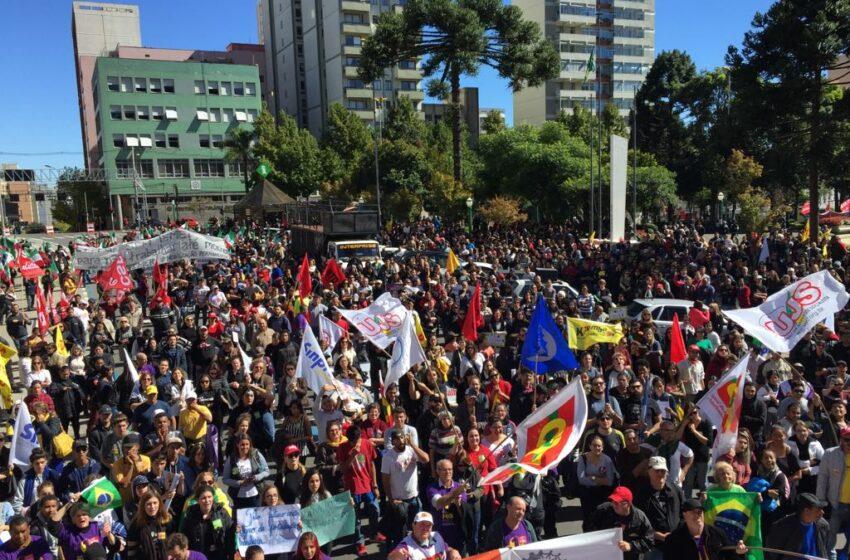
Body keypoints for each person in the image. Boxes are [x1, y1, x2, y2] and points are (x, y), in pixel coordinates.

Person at [381, 430, 430, 547]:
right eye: (397, 439)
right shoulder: (388, 457)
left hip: (414, 498)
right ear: (392, 441)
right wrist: (391, 499)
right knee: (400, 534)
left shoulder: (411, 450)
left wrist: (413, 445)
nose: (401, 441)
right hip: (399, 501)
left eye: (402, 438)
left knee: (418, 529)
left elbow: (426, 459)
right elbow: (385, 480)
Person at [663, 499, 748, 560]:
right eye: (693, 512)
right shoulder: (673, 539)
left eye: (700, 512)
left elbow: (731, 556)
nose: (697, 515)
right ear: (684, 515)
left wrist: (739, 553)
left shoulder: (717, 533)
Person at [635, 457, 684, 560]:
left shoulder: (676, 490)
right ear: (649, 471)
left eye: (663, 471)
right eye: (657, 470)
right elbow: (638, 522)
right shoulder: (641, 494)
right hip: (653, 546)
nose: (660, 474)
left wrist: (679, 533)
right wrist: (657, 535)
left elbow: (685, 513)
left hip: (676, 544)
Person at [587, 486, 654, 560]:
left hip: (631, 557)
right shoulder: (603, 510)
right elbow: (588, 526)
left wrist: (631, 546)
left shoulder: (639, 518)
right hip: (606, 555)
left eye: (617, 502)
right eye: (613, 501)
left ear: (628, 504)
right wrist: (599, 538)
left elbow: (649, 541)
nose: (614, 504)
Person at [816, 426, 850, 559]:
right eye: (847, 440)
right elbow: (822, 478)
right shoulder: (830, 454)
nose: (849, 443)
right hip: (836, 503)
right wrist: (820, 501)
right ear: (841, 439)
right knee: (832, 536)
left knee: (845, 537)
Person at [179, 485, 234, 559]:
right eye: (203, 498)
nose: (207, 500)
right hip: (199, 555)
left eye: (209, 497)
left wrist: (235, 527)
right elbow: (184, 536)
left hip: (219, 554)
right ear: (198, 500)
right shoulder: (191, 515)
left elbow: (230, 531)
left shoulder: (221, 512)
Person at [388, 511, 462, 560]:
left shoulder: (437, 536)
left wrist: (453, 551)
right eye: (422, 524)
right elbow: (391, 557)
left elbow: (446, 548)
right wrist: (395, 556)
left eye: (428, 525)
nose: (425, 528)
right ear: (413, 525)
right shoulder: (406, 545)